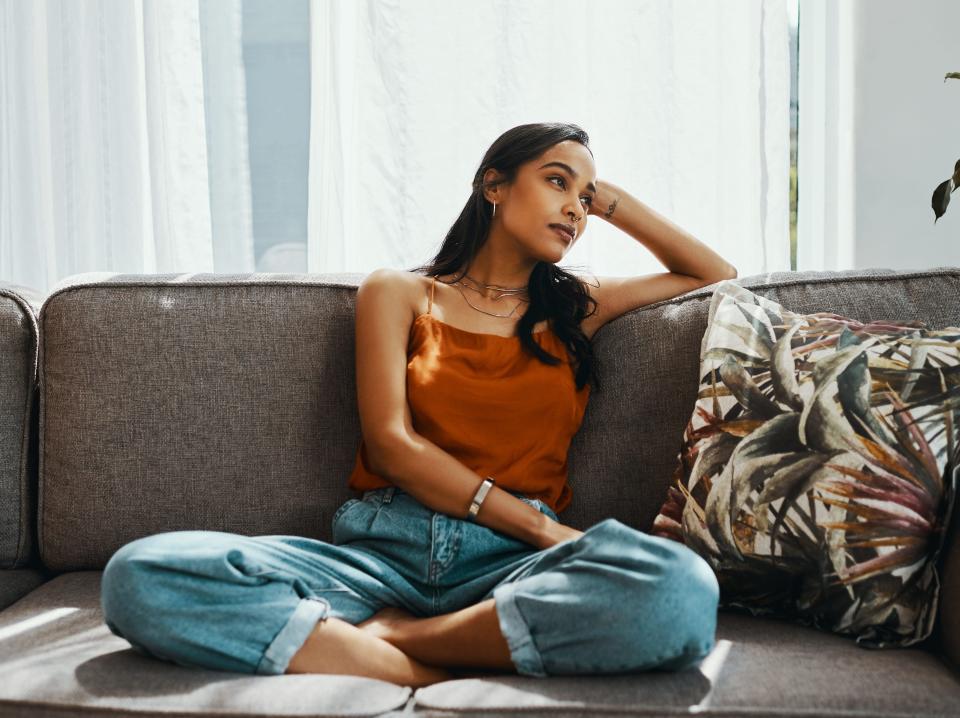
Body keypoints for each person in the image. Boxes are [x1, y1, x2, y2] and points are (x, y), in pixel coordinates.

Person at [100, 122, 736, 687]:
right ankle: (442, 658)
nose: (575, 209)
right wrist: (542, 526)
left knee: (679, 590)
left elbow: (714, 273)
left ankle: (402, 642)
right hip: (380, 556)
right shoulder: (400, 293)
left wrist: (609, 201)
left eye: (586, 199)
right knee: (141, 574)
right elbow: (393, 447)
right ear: (493, 185)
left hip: (513, 570)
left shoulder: (576, 307)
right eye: (556, 182)